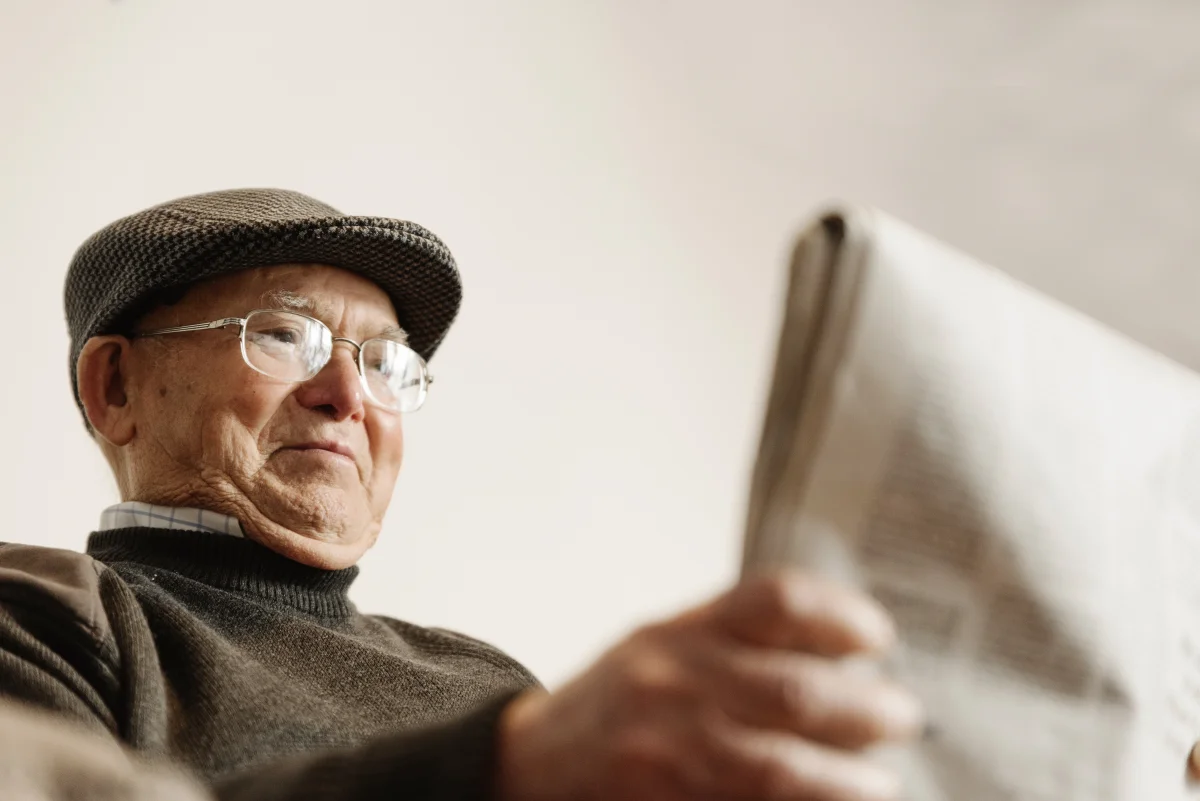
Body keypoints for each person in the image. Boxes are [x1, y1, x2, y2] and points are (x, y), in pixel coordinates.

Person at [0, 188, 923, 801]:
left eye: (384, 361)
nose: (348, 395)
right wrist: (502, 766)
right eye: (287, 335)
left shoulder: (487, 681)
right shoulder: (46, 619)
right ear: (114, 386)